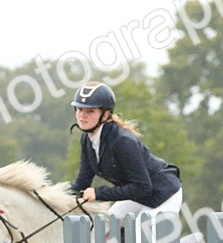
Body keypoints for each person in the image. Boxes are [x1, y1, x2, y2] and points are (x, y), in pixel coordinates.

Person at [68, 82, 183, 218]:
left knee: (142, 236)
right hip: (139, 197)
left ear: (105, 115)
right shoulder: (87, 140)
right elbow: (81, 183)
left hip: (163, 194)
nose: (82, 116)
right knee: (104, 228)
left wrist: (98, 193)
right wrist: (50, 193)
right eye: (80, 109)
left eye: (90, 111)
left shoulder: (122, 141)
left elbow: (143, 187)